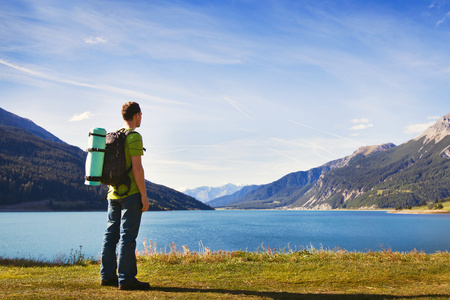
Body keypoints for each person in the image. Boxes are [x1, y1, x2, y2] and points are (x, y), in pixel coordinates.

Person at [100, 101, 151, 290]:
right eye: (141, 114)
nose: (141, 118)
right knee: (127, 237)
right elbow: (137, 169)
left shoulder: (114, 136)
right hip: (130, 194)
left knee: (110, 236)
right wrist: (144, 197)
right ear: (137, 115)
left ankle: (107, 276)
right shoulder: (134, 137)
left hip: (112, 193)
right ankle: (126, 278)